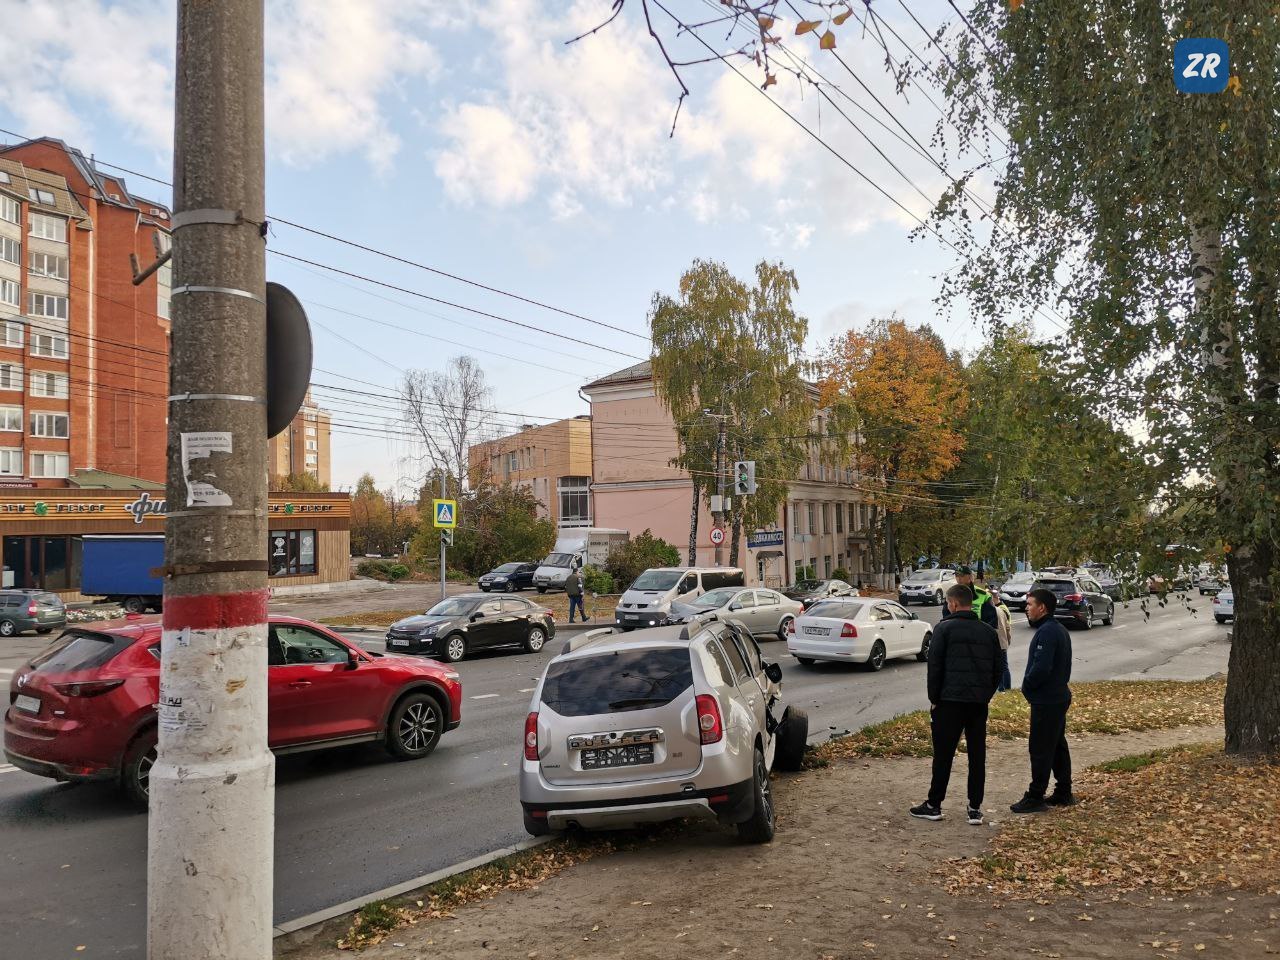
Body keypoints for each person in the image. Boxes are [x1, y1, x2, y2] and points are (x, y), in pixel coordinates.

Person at [910, 584, 1006, 825]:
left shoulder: (944, 628)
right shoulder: (988, 632)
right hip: (978, 703)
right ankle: (975, 808)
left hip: (948, 702)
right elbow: (998, 669)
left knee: (943, 755)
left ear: (953, 604)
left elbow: (935, 668)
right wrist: (985, 695)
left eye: (947, 603)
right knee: (977, 755)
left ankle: (934, 804)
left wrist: (934, 699)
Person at [1011, 587, 1075, 813]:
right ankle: (1063, 792)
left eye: (1030, 604)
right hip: (1056, 697)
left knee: (1040, 748)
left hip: (1048, 699)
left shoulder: (1048, 632)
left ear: (1042, 608)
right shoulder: (1056, 629)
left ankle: (1036, 796)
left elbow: (1042, 668)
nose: (1026, 608)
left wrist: (1027, 685)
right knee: (1056, 745)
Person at [942, 565, 999, 630]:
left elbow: (992, 622)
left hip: (978, 632)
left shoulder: (983, 595)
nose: (958, 578)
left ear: (970, 577)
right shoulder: (951, 594)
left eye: (962, 575)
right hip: (956, 632)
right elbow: (946, 618)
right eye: (956, 575)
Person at [990, 591, 1013, 691]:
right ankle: (1006, 689)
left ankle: (1001, 689)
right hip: (1003, 642)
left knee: (997, 668)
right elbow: (1008, 627)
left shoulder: (992, 611)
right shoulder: (1001, 610)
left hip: (995, 643)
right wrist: (1008, 640)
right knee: (1004, 666)